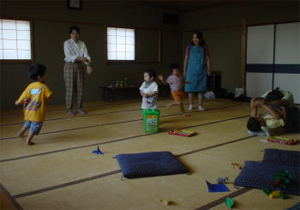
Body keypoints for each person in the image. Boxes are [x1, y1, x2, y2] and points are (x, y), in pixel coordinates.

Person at [15, 64, 53, 145]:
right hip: (37, 113)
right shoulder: (44, 87)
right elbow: (49, 96)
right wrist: (50, 98)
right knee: (35, 126)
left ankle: (21, 133)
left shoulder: (30, 86)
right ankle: (28, 141)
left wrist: (18, 101)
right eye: (45, 75)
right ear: (39, 77)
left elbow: (24, 95)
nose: (46, 76)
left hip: (28, 111)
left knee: (28, 122)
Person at [63, 25, 93, 116]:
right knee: (70, 88)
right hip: (69, 66)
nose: (75, 35)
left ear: (78, 34)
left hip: (80, 66)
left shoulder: (82, 43)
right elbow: (68, 56)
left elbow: (86, 56)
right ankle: (69, 109)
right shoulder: (67, 43)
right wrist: (80, 58)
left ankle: (79, 108)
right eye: (73, 33)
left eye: (76, 33)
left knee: (79, 88)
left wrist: (88, 65)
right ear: (70, 34)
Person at [183, 31, 212, 111]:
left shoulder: (204, 47)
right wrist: (184, 70)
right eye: (193, 38)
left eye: (196, 38)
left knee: (201, 88)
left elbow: (208, 59)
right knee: (190, 88)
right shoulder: (189, 47)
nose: (195, 39)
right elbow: (186, 59)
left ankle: (200, 105)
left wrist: (209, 69)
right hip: (191, 71)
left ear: (200, 38)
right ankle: (191, 104)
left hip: (202, 70)